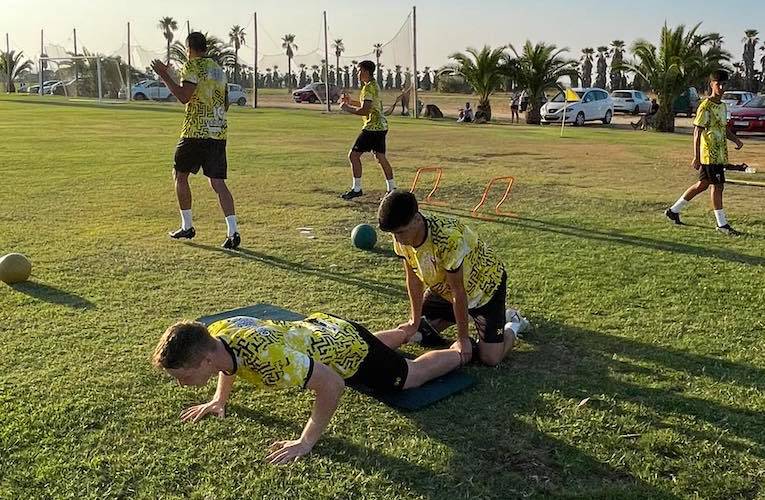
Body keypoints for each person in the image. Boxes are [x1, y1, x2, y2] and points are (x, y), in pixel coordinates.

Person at [152, 312, 464, 464]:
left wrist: (305, 442)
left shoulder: (268, 361)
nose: (182, 384)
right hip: (325, 328)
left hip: (349, 352)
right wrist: (219, 398)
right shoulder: (216, 334)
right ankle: (409, 331)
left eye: (183, 376)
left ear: (205, 361)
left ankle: (462, 352)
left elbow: (332, 384)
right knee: (368, 342)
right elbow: (226, 360)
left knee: (410, 376)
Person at [377, 190, 529, 367]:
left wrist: (463, 338)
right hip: (443, 288)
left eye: (401, 232)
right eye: (393, 234)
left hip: (483, 288)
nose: (397, 239)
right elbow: (413, 280)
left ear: (417, 219)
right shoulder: (402, 237)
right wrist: (414, 320)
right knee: (419, 332)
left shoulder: (448, 238)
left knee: (490, 358)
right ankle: (468, 316)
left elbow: (459, 290)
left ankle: (513, 323)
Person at [151, 32, 240, 249]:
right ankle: (233, 232)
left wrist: (164, 74)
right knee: (218, 182)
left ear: (189, 48)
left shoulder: (192, 67)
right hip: (218, 132)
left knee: (179, 175)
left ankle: (187, 226)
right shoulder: (219, 71)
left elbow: (184, 96)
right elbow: (225, 104)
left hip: (195, 131)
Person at [664, 70, 744, 236]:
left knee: (703, 185)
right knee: (718, 186)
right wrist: (696, 156)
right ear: (711, 84)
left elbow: (723, 128)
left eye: (724, 85)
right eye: (718, 84)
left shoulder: (722, 106)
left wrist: (735, 140)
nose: (721, 87)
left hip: (720, 153)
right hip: (709, 154)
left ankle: (673, 210)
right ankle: (722, 224)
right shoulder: (705, 106)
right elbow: (697, 132)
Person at [339, 60, 395, 200]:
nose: (357, 73)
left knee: (353, 155)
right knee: (380, 157)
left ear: (365, 71)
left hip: (372, 127)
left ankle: (356, 189)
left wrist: (347, 108)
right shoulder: (373, 86)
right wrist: (351, 102)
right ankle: (392, 189)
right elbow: (369, 105)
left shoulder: (368, 88)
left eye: (359, 70)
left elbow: (365, 110)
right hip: (381, 127)